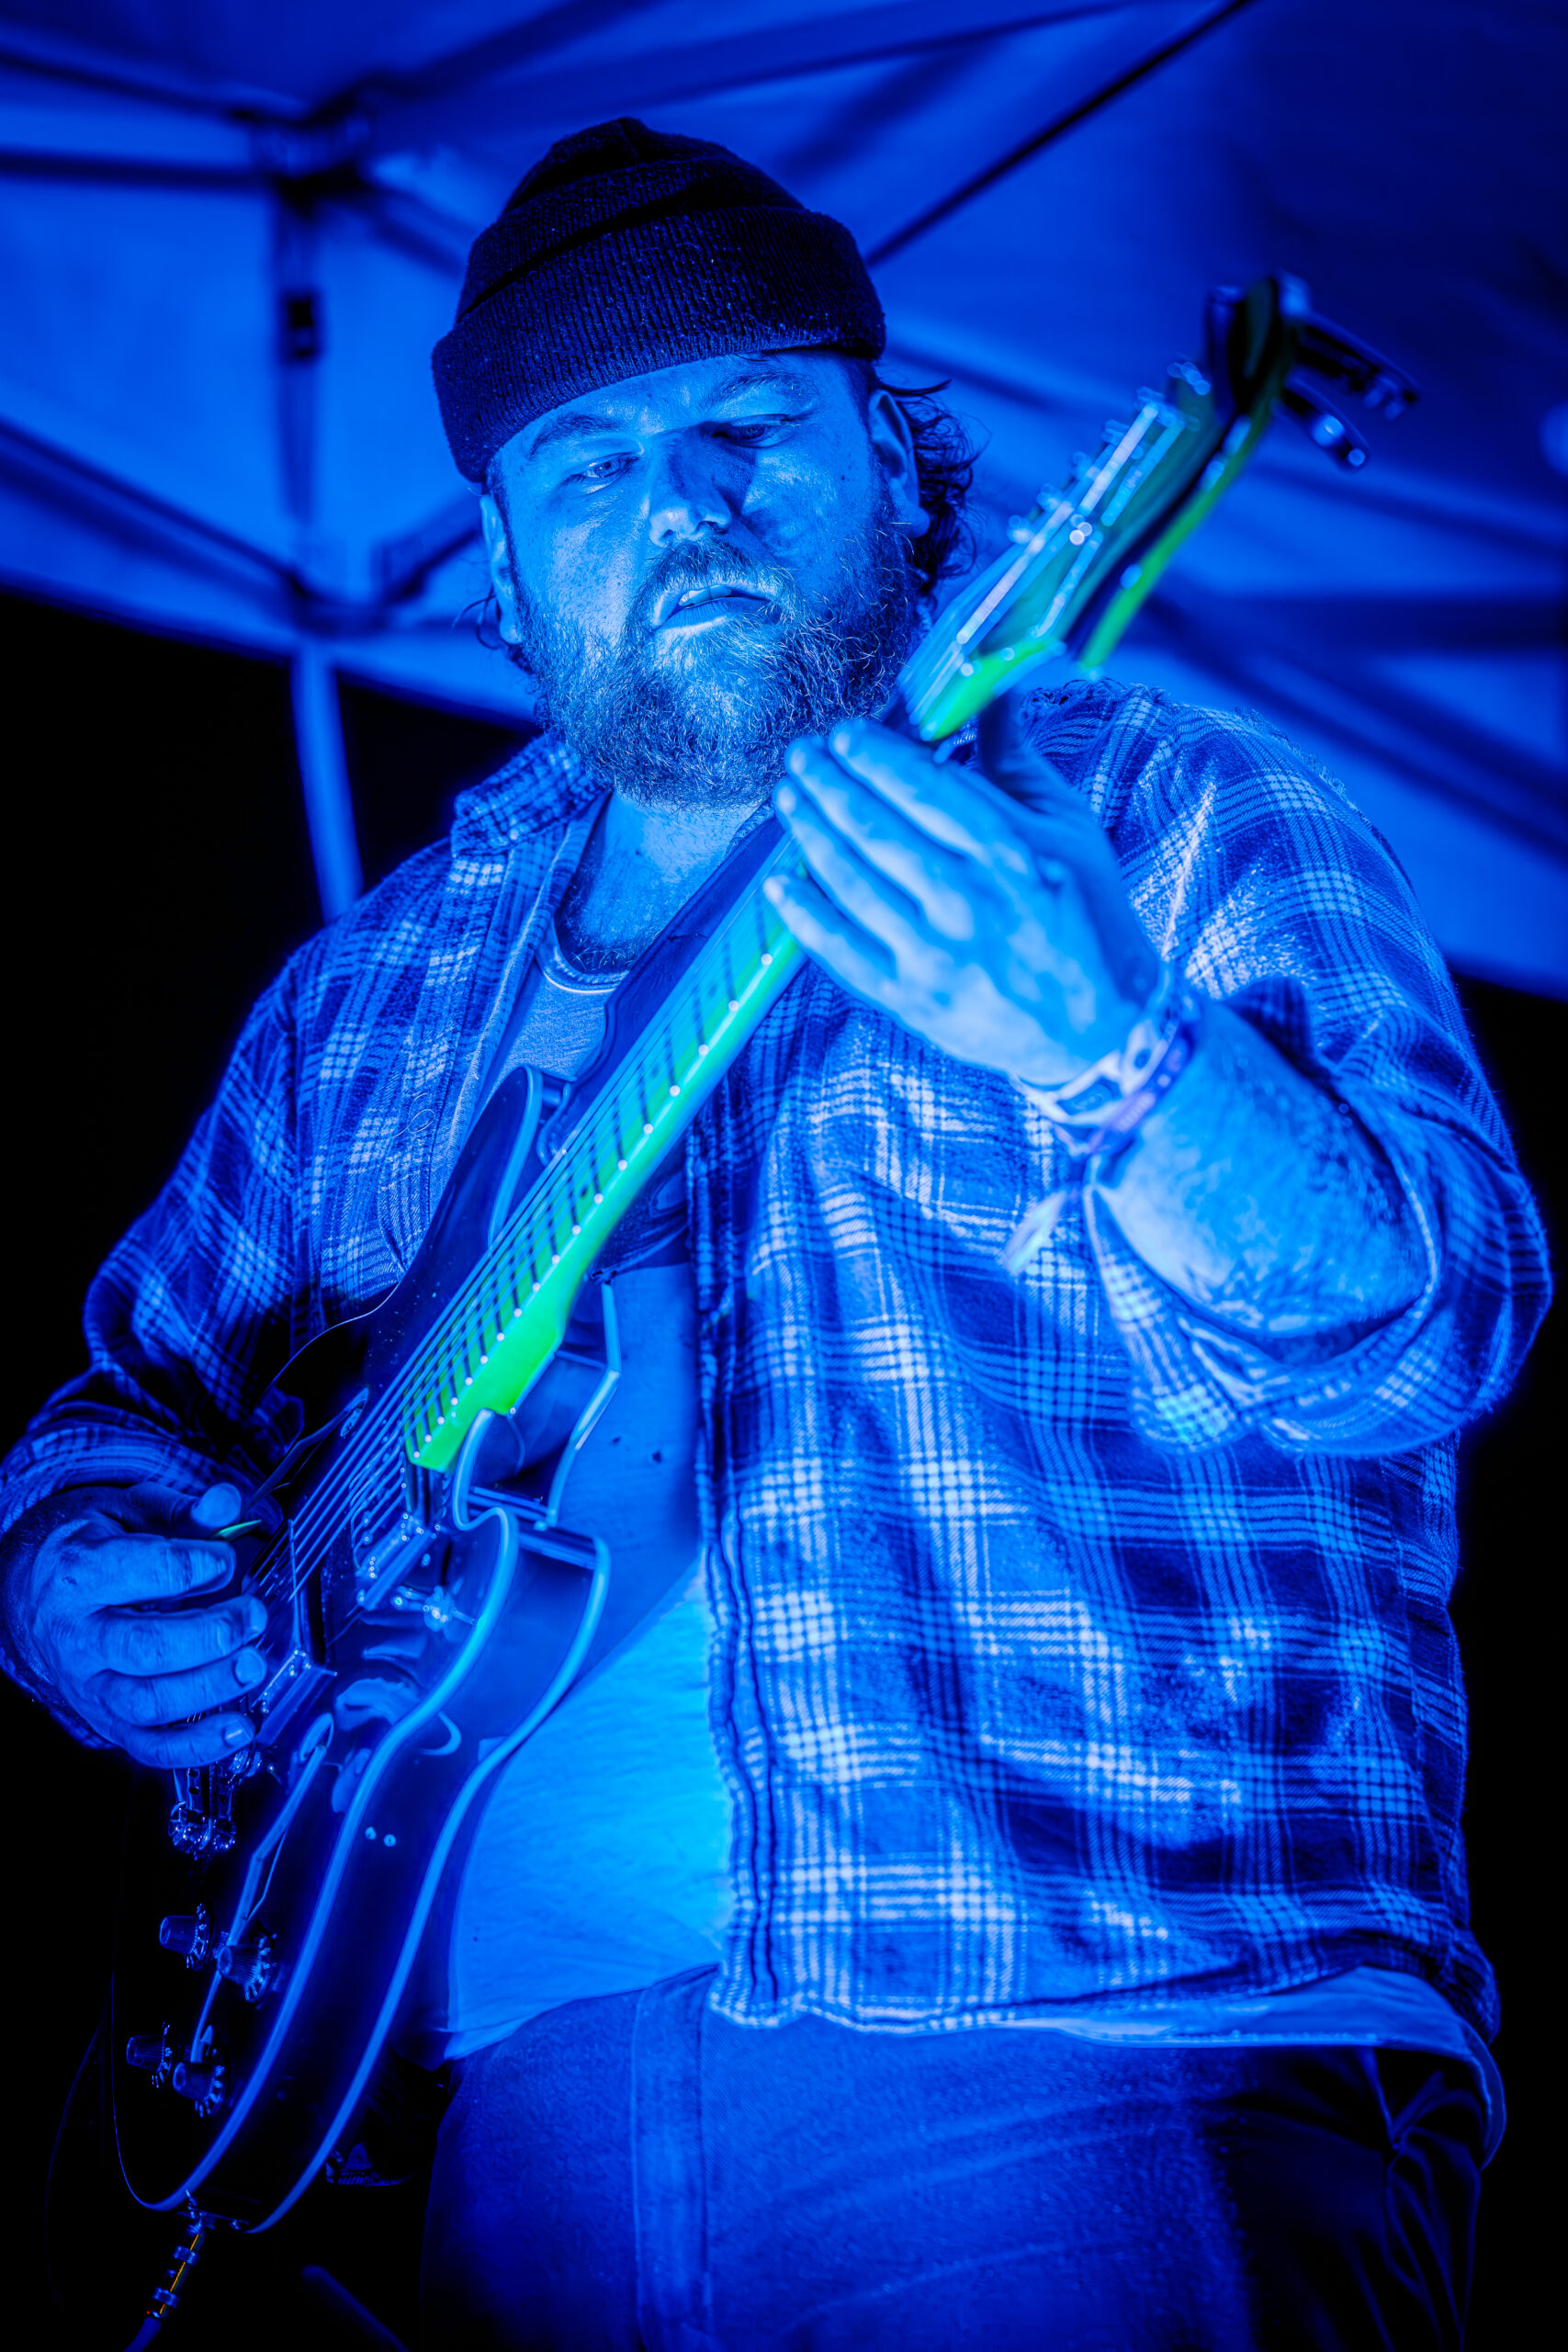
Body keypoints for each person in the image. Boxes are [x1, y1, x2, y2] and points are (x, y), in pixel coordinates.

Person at [0, 119, 1549, 2350]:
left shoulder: (1165, 812)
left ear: (901, 471)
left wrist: (1111, 1044)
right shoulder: (377, 988)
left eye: (751, 428)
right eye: (590, 471)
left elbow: (1426, 1327)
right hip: (476, 2135)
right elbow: (123, 1401)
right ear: (509, 580)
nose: (685, 512)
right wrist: (74, 1575)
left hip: (1092, 2037)